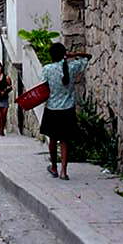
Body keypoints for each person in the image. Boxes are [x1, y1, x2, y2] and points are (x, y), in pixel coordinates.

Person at [41, 43, 91, 181]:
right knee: (64, 140)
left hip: (52, 108)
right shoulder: (72, 67)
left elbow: (43, 88)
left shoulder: (47, 69)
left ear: (51, 55)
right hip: (67, 109)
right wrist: (72, 56)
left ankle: (54, 167)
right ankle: (64, 171)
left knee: (52, 139)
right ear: (64, 54)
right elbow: (88, 57)